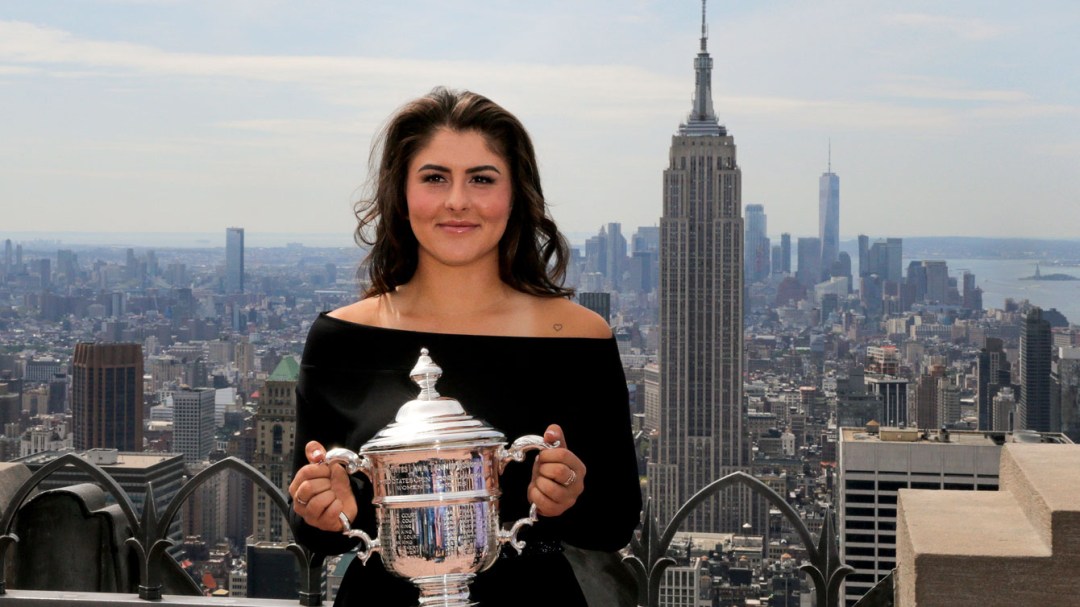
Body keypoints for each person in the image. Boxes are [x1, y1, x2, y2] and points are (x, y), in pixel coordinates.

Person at [287, 86, 642, 606]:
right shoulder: (342, 340)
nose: (458, 201)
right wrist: (326, 506)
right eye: (434, 178)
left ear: (515, 194)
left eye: (481, 178)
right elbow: (315, 534)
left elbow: (611, 524)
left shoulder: (578, 338)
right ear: (402, 195)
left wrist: (567, 496)